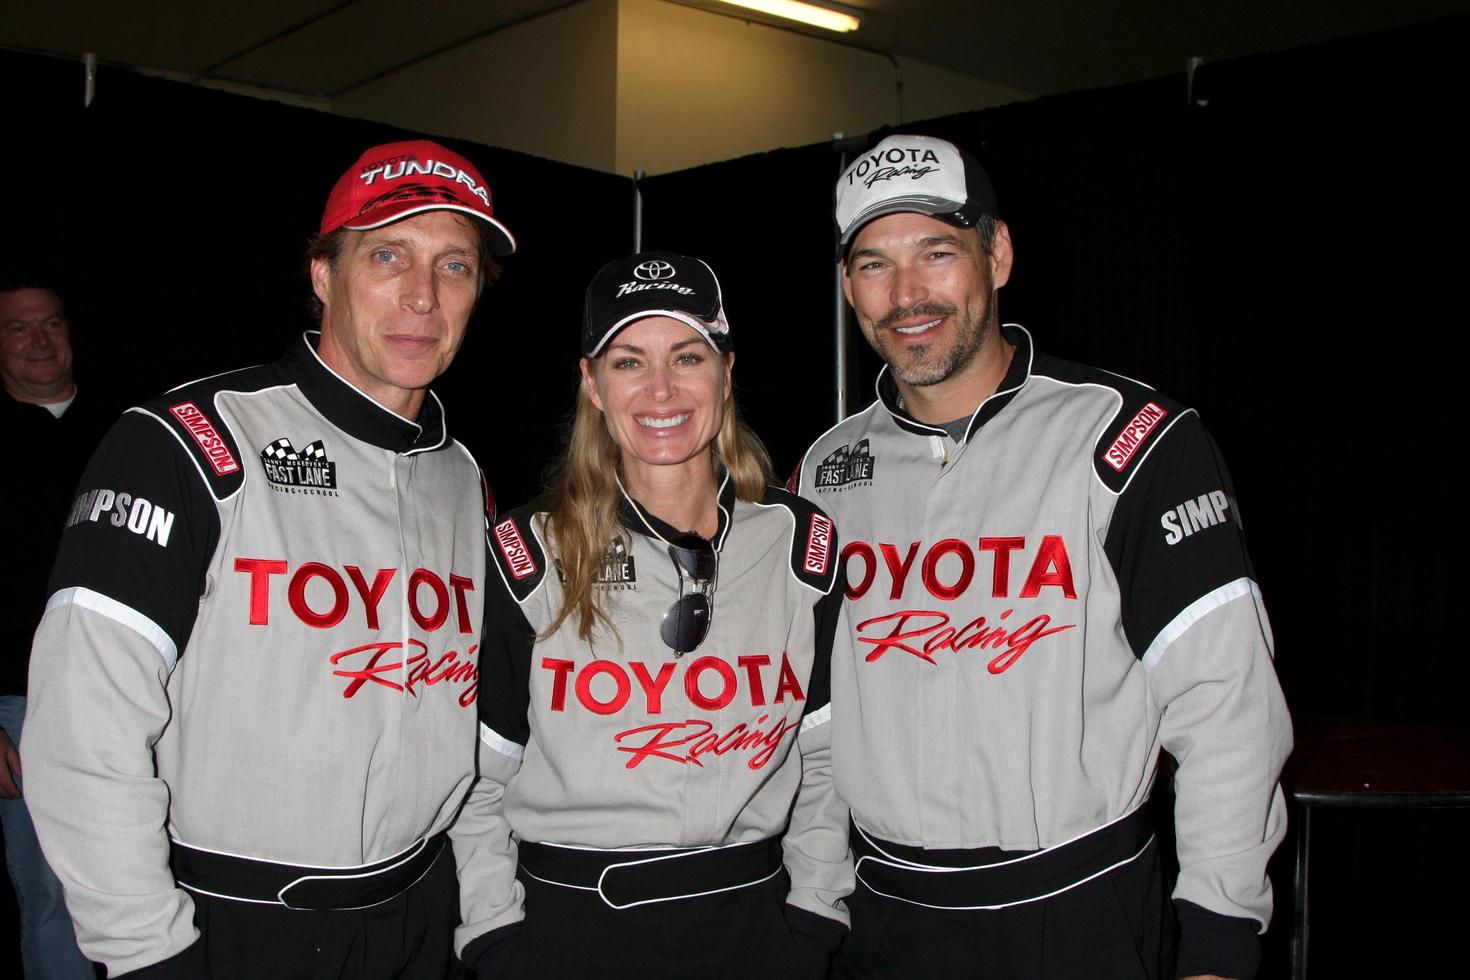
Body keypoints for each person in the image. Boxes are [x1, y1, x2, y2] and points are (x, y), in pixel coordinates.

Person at [789, 134, 1292, 979]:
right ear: (848, 286)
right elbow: (816, 726)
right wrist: (814, 904)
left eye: (937, 253)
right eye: (874, 265)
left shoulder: (1132, 443)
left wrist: (1217, 939)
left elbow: (1229, 712)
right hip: (882, 924)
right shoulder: (821, 475)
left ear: (999, 253)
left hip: (1081, 917)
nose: (907, 294)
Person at [22, 139, 516, 979]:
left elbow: (464, 729)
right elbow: (82, 732)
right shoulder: (189, 442)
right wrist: (145, 951)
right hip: (231, 925)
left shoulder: (462, 479)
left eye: (455, 266)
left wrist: (481, 910)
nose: (422, 297)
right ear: (324, 275)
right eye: (388, 255)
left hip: (418, 917)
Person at [457, 251, 851, 978]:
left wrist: (814, 915)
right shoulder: (526, 553)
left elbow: (823, 759)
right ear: (593, 385)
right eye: (629, 362)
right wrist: (495, 938)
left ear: (726, 374)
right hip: (569, 931)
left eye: (688, 356)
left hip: (754, 930)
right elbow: (482, 777)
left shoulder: (802, 545)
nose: (662, 389)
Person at [0, 272, 106, 979]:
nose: (40, 341)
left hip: (144, 701)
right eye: (17, 327)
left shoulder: (132, 429)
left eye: (52, 323)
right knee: (52, 904)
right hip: (25, 707)